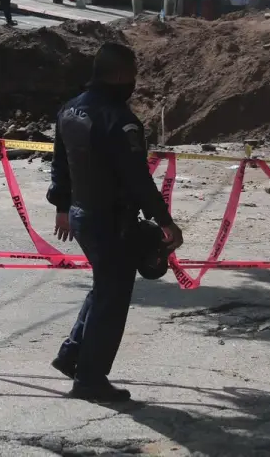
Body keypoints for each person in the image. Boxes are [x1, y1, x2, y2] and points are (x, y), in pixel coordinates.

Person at [48, 42, 184, 402]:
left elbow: (60, 165)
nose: (134, 82)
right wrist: (166, 221)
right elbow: (137, 179)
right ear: (122, 75)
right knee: (112, 297)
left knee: (104, 286)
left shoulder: (70, 110)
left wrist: (62, 205)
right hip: (109, 221)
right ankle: (90, 379)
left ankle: (73, 353)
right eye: (134, 75)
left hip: (81, 215)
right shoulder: (119, 120)